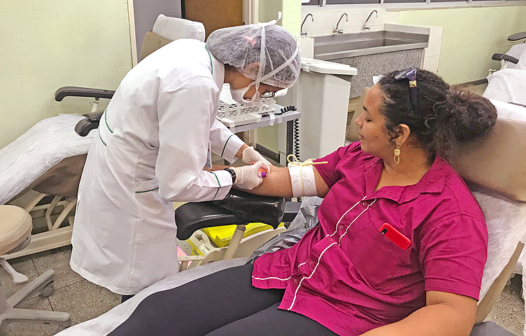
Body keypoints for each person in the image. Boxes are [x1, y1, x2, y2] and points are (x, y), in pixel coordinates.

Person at [107, 69, 498, 336]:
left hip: (345, 312)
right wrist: (233, 173)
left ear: (399, 134)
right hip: (290, 270)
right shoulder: (360, 158)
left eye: (367, 116)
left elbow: (452, 314)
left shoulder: (450, 213)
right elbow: (289, 179)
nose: (356, 124)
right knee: (156, 316)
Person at [70, 23, 301, 298]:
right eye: (266, 89)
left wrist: (243, 151)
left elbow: (201, 121)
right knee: (145, 289)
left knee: (144, 281)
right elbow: (179, 184)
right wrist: (237, 176)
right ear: (252, 68)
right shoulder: (195, 84)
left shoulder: (194, 53)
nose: (261, 97)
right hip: (131, 191)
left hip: (118, 166)